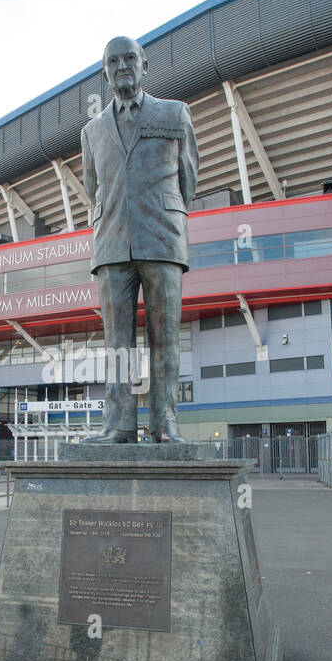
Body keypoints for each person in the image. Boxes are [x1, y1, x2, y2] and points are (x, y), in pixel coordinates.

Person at [80, 35, 199, 444]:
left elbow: (188, 180)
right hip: (112, 242)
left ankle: (165, 423)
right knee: (117, 344)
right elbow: (93, 186)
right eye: (113, 61)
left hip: (162, 238)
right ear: (105, 72)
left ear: (145, 64)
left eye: (129, 58)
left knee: (164, 337)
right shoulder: (92, 131)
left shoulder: (175, 113)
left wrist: (159, 213)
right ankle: (119, 424)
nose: (121, 66)